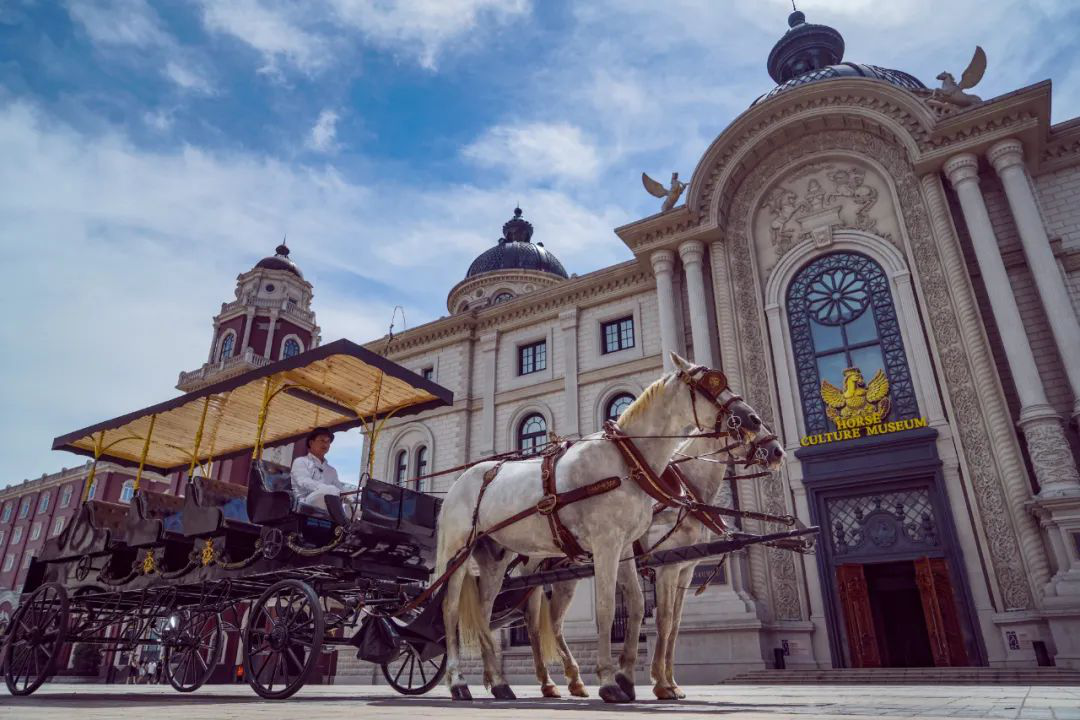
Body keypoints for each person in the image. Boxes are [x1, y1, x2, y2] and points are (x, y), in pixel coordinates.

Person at [290, 427, 349, 511]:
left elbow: (339, 489)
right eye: (322, 440)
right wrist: (327, 489)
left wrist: (349, 496)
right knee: (328, 492)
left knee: (353, 508)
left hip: (329, 503)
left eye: (328, 441)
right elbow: (303, 481)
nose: (325, 444)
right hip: (304, 503)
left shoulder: (331, 470)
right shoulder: (300, 461)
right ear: (311, 443)